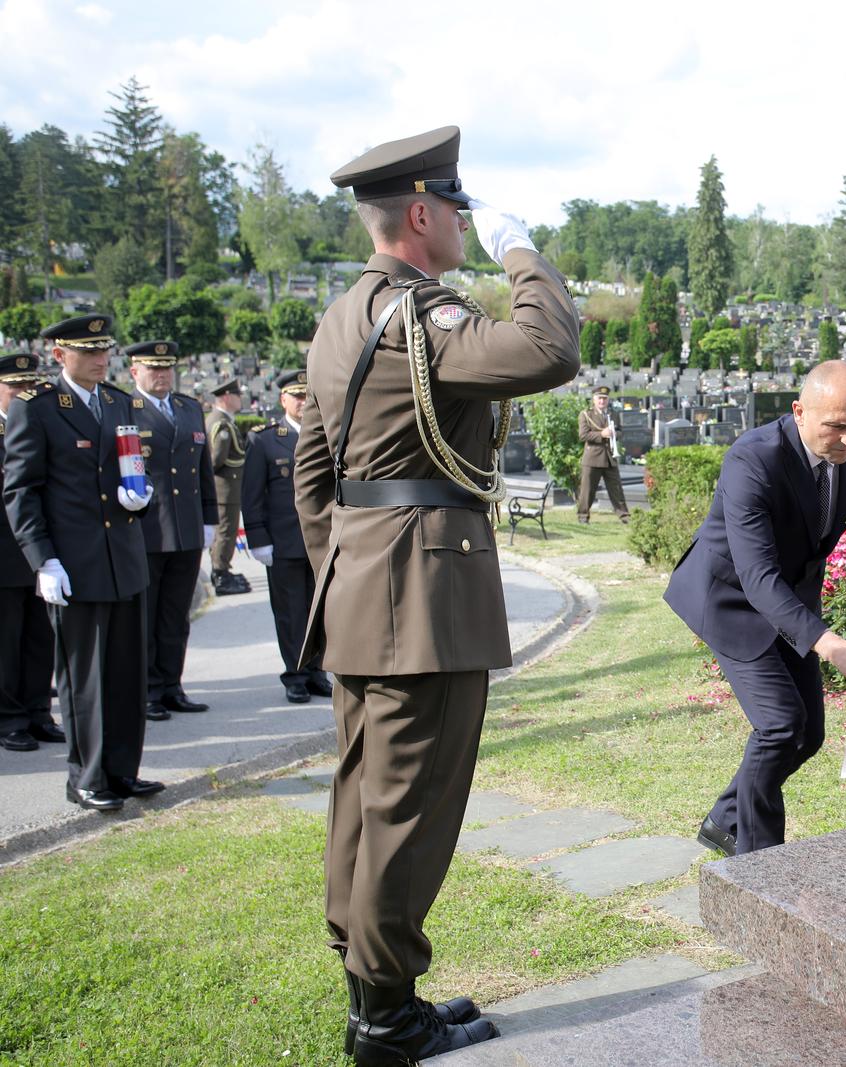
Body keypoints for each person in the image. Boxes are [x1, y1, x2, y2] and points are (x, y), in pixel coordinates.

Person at [296, 125, 579, 1063]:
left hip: (367, 584)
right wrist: (523, 250)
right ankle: (384, 1020)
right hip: (422, 592)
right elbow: (546, 346)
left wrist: (348, 566)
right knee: (410, 805)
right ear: (421, 214)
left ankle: (378, 992)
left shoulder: (344, 316)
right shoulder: (423, 317)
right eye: (456, 210)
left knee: (366, 798)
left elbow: (314, 472)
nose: (465, 223)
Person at [665, 361, 846, 856]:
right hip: (731, 601)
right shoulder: (752, 459)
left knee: (807, 736)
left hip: (791, 600)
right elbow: (757, 576)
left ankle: (723, 818)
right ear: (799, 412)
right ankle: (759, 864)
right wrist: (830, 645)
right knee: (781, 726)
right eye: (837, 427)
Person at [3, 314, 161, 812]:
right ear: (58, 356)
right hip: (74, 566)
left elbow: (136, 467)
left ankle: (121, 770)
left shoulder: (119, 402)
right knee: (85, 679)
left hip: (125, 561)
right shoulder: (39, 409)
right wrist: (42, 560)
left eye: (104, 350)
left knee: (126, 676)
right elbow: (21, 493)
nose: (100, 359)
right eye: (88, 351)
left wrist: (144, 497)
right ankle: (86, 776)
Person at [126, 340, 216, 722]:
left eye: (166, 368)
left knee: (176, 616)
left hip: (185, 530)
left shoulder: (188, 408)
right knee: (146, 617)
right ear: (135, 372)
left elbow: (203, 470)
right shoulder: (125, 410)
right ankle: (148, 690)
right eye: (153, 369)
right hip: (146, 531)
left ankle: (172, 684)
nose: (161, 375)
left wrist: (209, 518)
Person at [242, 369, 330, 705]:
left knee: (319, 611)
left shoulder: (325, 434)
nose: (304, 402)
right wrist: (257, 538)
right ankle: (295, 675)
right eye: (297, 396)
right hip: (283, 542)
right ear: (283, 400)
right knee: (291, 612)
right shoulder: (263, 439)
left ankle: (317, 671)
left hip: (320, 540)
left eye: (308, 395)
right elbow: (251, 495)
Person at [0, 351, 64, 753]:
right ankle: (10, 718)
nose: (23, 392)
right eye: (14, 386)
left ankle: (39, 711)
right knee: (7, 641)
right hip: (3, 553)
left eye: (29, 385)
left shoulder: (42, 423)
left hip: (39, 547)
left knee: (42, 637)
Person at [206, 378, 250, 595]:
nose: (240, 399)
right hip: (224, 489)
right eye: (236, 395)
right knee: (225, 531)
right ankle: (220, 572)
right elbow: (216, 460)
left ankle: (221, 569)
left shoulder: (222, 420)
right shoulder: (220, 423)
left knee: (224, 531)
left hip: (226, 488)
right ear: (225, 397)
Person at [576, 385, 629, 524]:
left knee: (616, 489)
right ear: (594, 399)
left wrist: (614, 434)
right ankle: (583, 517)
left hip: (610, 457)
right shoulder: (586, 415)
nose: (602, 401)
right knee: (587, 491)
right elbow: (583, 435)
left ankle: (624, 516)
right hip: (592, 457)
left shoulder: (613, 414)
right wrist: (602, 434)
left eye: (605, 399)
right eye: (599, 398)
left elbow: (620, 431)